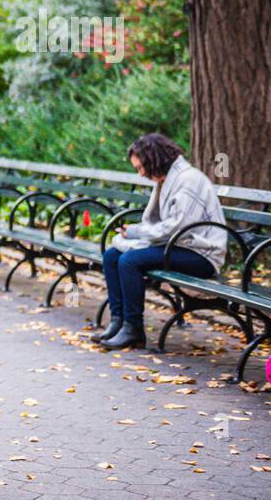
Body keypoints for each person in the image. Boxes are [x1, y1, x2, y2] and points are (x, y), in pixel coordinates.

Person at [95, 133, 226, 350]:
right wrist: (134, 233)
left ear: (154, 159)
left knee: (130, 261)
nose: (142, 173)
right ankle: (118, 321)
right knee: (112, 256)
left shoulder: (188, 179)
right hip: (178, 245)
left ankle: (133, 329)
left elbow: (179, 227)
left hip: (202, 254)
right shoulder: (166, 179)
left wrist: (136, 232)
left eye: (141, 167)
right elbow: (163, 224)